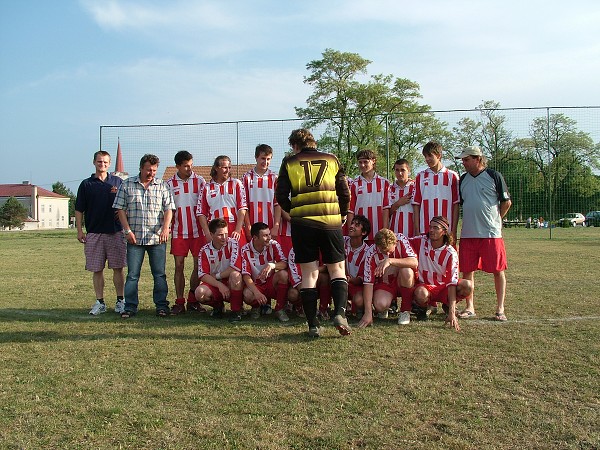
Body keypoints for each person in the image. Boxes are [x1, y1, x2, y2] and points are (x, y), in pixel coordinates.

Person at [276, 128, 352, 337]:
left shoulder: (289, 162)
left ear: (294, 145)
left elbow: (281, 195)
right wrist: (342, 214)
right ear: (314, 142)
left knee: (309, 273)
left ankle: (312, 325)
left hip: (303, 224)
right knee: (337, 269)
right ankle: (339, 313)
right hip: (330, 221)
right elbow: (344, 192)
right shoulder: (332, 159)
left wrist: (296, 211)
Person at [113, 154, 175, 318]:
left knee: (159, 274)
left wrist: (165, 228)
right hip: (135, 238)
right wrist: (127, 231)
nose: (151, 173)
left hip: (157, 238)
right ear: (141, 168)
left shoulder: (162, 186)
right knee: (133, 275)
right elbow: (120, 209)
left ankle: (162, 306)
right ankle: (130, 307)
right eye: (148, 170)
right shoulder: (127, 185)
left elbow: (169, 209)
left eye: (154, 170)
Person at [457, 146, 512, 321]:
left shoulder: (494, 176)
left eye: (466, 159)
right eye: (463, 160)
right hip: (468, 234)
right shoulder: (463, 179)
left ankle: (500, 308)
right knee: (467, 271)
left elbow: (506, 202)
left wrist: (496, 220)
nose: (463, 163)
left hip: (491, 234)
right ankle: (470, 307)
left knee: (498, 270)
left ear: (478, 159)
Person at [75, 150, 127, 315]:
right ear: (94, 162)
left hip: (116, 232)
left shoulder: (118, 182)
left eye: (105, 162)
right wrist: (79, 230)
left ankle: (121, 301)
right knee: (97, 269)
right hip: (94, 233)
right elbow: (79, 209)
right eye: (99, 162)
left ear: (109, 164)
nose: (102, 164)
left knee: (118, 268)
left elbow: (125, 206)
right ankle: (100, 302)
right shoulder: (86, 184)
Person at [409, 216, 472, 331]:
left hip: (444, 288)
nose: (431, 230)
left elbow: (452, 282)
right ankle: (423, 307)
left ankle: (448, 305)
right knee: (420, 293)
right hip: (425, 287)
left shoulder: (451, 252)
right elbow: (403, 240)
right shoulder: (421, 241)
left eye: (435, 228)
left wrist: (452, 312)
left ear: (444, 231)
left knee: (467, 285)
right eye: (430, 227)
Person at [242, 144, 281, 315]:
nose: (265, 162)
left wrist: (277, 225)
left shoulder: (274, 177)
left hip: (269, 227)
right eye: (262, 158)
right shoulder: (246, 178)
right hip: (254, 228)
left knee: (269, 261)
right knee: (253, 264)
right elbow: (243, 205)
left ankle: (268, 303)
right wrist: (248, 226)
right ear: (256, 158)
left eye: (268, 159)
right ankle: (256, 304)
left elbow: (277, 203)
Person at [166, 150, 207, 315]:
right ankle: (179, 302)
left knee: (198, 266)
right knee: (179, 266)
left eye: (191, 165)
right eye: (185, 166)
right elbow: (168, 209)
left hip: (198, 232)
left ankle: (193, 300)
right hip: (178, 232)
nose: (189, 169)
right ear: (177, 166)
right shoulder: (169, 183)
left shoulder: (200, 181)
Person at [357, 228, 418, 328]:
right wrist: (368, 312)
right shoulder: (371, 253)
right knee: (380, 304)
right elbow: (368, 283)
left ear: (395, 242)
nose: (388, 254)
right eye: (384, 251)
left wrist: (390, 260)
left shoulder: (401, 239)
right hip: (385, 284)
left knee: (407, 271)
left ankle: (405, 310)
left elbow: (414, 262)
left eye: (390, 251)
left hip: (401, 280)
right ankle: (385, 308)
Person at [194, 218, 244, 322]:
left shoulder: (233, 243)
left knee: (235, 275)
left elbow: (235, 268)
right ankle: (218, 306)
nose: (224, 237)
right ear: (211, 235)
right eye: (220, 235)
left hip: (230, 282)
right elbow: (202, 274)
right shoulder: (204, 250)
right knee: (200, 293)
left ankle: (236, 311)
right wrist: (219, 285)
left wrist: (217, 276)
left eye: (226, 233)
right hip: (216, 284)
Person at [240, 222, 290, 322]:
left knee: (283, 274)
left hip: (270, 283)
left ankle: (279, 309)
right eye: (265, 235)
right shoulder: (245, 250)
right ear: (255, 237)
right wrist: (257, 293)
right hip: (256, 284)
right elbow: (246, 276)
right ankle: (256, 307)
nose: (269, 238)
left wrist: (273, 265)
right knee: (247, 295)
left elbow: (284, 264)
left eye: (269, 234)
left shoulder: (273, 245)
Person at [197, 155, 248, 248]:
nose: (228, 170)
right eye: (224, 167)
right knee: (217, 260)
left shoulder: (236, 184)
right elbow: (201, 213)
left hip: (233, 227)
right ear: (216, 168)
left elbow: (242, 208)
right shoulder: (206, 187)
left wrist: (238, 229)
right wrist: (208, 233)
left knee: (238, 260)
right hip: (216, 229)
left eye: (229, 167)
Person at [412, 141, 460, 238]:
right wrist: (417, 230)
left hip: (446, 229)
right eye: (425, 156)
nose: (427, 159)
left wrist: (454, 231)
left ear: (439, 156)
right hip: (425, 229)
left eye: (430, 156)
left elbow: (456, 204)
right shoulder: (420, 176)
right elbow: (416, 205)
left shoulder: (452, 176)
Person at [347, 149, 390, 244]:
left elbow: (386, 209)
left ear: (373, 161)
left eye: (365, 162)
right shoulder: (354, 184)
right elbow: (350, 211)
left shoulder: (384, 183)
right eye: (360, 162)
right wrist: (351, 232)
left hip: (378, 232)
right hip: (360, 233)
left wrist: (385, 230)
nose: (362, 165)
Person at [343, 215, 371, 317]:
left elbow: (362, 279)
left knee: (359, 300)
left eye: (357, 225)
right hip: (340, 281)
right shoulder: (341, 241)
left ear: (363, 233)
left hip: (356, 285)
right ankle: (327, 309)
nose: (352, 226)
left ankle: (358, 309)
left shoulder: (368, 251)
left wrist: (350, 280)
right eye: (352, 223)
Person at [386, 158, 415, 238]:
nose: (400, 173)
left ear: (408, 171)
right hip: (394, 232)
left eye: (403, 170)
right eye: (397, 170)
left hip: (412, 232)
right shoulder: (389, 188)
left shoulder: (416, 187)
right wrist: (398, 203)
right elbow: (386, 213)